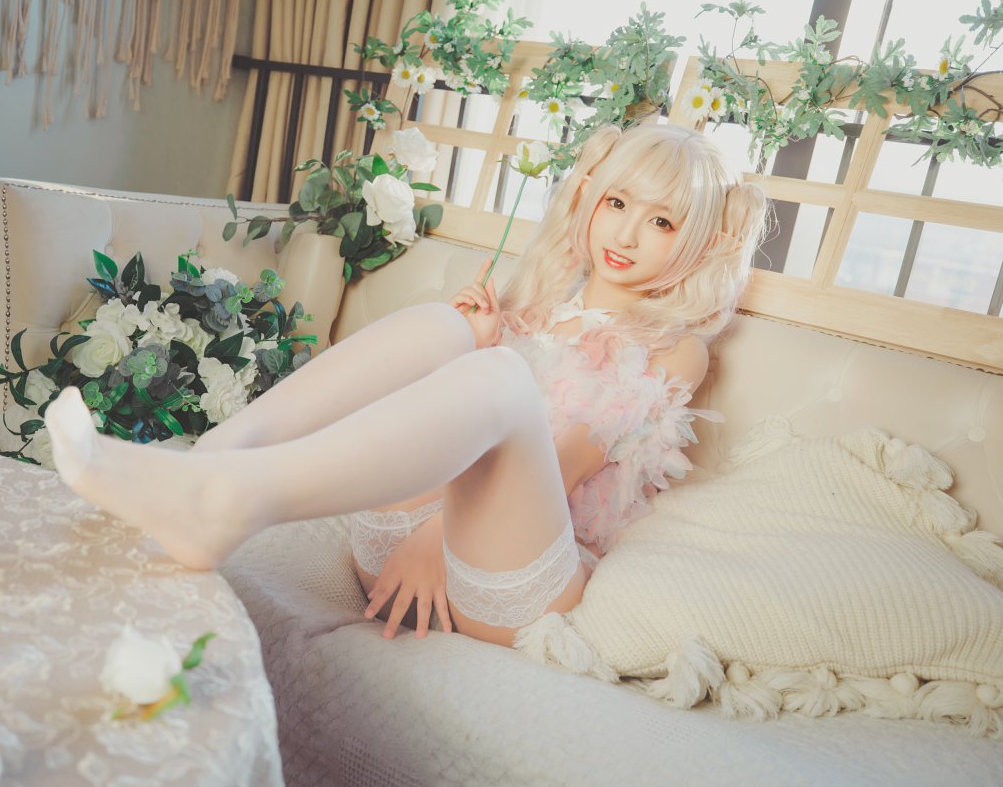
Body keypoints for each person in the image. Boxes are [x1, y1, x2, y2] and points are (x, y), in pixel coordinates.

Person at [44, 122, 768, 650]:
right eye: (617, 204)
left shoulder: (677, 350)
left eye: (661, 221)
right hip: (405, 545)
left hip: (519, 583)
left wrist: (436, 532)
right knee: (447, 325)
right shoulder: (541, 306)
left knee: (496, 373)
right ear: (591, 200)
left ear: (695, 243)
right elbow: (439, 425)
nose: (628, 234)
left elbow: (564, 463)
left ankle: (231, 500)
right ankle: (213, 461)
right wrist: (481, 337)